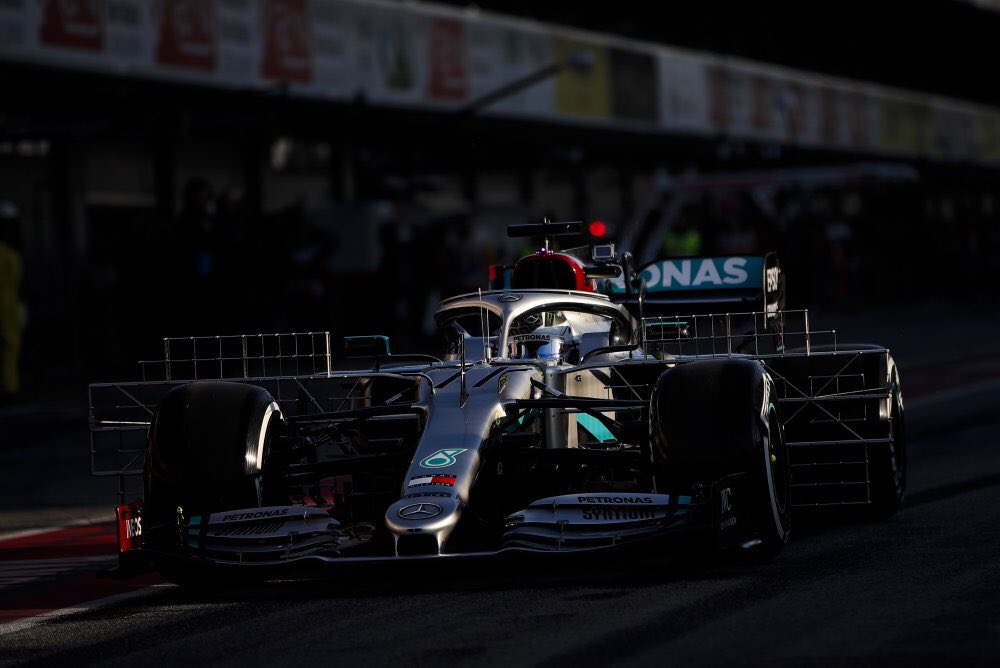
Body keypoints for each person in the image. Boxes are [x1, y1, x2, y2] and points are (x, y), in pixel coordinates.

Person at [0, 200, 25, 400]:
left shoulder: (11, 250)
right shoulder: (5, 251)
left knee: (12, 346)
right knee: (9, 345)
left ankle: (11, 387)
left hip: (12, 304)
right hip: (6, 304)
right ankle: (10, 389)